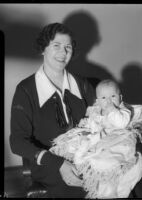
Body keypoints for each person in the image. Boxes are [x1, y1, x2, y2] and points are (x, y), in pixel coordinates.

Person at [9, 22, 95, 198]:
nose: (63, 53)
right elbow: (17, 141)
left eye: (68, 47)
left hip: (89, 159)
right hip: (49, 166)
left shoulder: (83, 85)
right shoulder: (25, 90)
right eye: (56, 45)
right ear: (43, 49)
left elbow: (101, 122)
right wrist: (59, 164)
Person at [50, 79, 142, 198]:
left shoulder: (123, 111)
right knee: (81, 145)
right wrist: (87, 129)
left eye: (113, 96)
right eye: (103, 98)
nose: (108, 101)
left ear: (120, 97)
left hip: (115, 139)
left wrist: (113, 110)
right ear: (98, 101)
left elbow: (121, 123)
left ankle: (110, 191)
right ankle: (85, 167)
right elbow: (92, 123)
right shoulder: (96, 111)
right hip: (99, 138)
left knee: (107, 162)